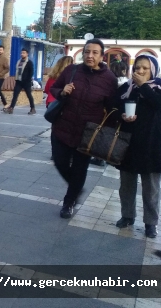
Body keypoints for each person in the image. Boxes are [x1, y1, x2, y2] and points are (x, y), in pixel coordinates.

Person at [49, 39, 117, 219]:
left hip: (88, 133)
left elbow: (112, 109)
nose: (90, 56)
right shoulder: (71, 71)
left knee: (80, 168)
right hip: (62, 127)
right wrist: (62, 91)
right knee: (59, 162)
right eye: (87, 52)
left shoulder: (109, 79)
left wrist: (109, 132)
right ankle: (76, 187)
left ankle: (69, 202)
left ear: (102, 56)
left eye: (95, 52)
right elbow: (54, 89)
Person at [114, 54, 161, 239]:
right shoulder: (127, 87)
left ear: (153, 70)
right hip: (128, 145)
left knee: (151, 189)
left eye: (144, 69)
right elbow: (114, 104)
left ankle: (151, 223)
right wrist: (122, 115)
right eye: (137, 67)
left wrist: (143, 86)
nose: (139, 71)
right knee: (126, 186)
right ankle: (127, 216)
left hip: (152, 146)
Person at [5, 48, 35, 115]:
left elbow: (31, 72)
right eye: (21, 53)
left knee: (29, 95)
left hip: (26, 82)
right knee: (15, 95)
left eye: (24, 53)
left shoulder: (29, 62)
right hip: (19, 81)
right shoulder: (19, 62)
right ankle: (11, 108)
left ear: (27, 54)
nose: (22, 54)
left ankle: (32, 108)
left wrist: (28, 79)